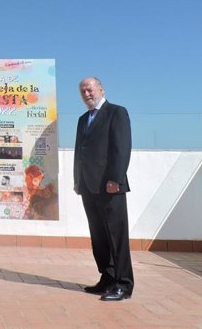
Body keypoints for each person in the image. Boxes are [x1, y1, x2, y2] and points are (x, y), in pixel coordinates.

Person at [74, 77, 134, 301]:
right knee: (98, 235)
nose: (86, 93)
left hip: (110, 186)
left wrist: (115, 179)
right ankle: (107, 278)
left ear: (100, 89)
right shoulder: (83, 119)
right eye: (82, 91)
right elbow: (80, 152)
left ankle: (124, 284)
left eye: (89, 89)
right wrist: (77, 180)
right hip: (88, 186)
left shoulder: (116, 112)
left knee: (116, 236)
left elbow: (121, 147)